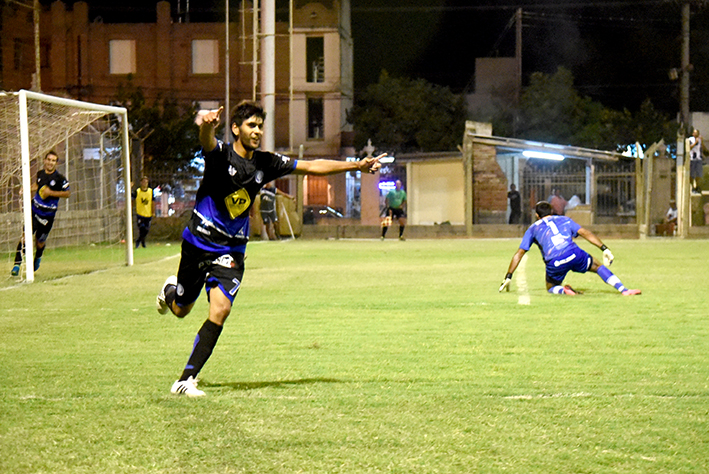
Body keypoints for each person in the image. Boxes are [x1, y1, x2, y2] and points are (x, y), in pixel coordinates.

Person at [155, 101, 383, 397]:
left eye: (260, 126)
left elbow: (312, 166)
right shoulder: (220, 155)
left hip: (231, 251)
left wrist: (356, 165)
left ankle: (186, 379)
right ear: (235, 129)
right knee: (180, 310)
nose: (257, 131)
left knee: (220, 309)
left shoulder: (265, 162)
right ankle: (170, 291)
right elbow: (206, 141)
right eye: (251, 125)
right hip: (198, 244)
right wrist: (208, 126)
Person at [499, 201, 641, 296]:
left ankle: (562, 290)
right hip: (574, 254)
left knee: (550, 287)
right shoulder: (564, 219)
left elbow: (520, 253)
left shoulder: (532, 229)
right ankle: (623, 290)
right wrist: (604, 248)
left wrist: (509, 275)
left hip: (554, 262)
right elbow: (584, 232)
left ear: (537, 215)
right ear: (552, 211)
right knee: (597, 266)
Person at [11, 151, 71, 276]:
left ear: (56, 163)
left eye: (53, 160)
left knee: (39, 242)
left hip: (47, 216)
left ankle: (38, 256)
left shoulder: (60, 179)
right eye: (48, 159)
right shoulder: (40, 174)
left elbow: (67, 193)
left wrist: (51, 193)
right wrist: (26, 188)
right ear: (44, 160)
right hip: (34, 210)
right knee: (25, 237)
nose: (50, 162)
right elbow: (37, 185)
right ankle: (17, 264)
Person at [132, 176, 155, 248]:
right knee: (142, 228)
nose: (145, 183)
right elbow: (131, 198)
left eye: (146, 182)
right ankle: (142, 242)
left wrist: (153, 211)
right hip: (140, 214)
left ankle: (139, 240)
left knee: (146, 230)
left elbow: (153, 202)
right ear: (141, 183)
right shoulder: (137, 191)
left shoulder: (150, 191)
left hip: (148, 214)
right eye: (144, 182)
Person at [688, 128, 703, 194]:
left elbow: (701, 148)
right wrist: (695, 142)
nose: (696, 134)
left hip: (698, 158)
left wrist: (701, 141)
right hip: (692, 159)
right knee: (691, 174)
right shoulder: (690, 139)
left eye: (697, 132)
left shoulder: (699, 140)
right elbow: (689, 147)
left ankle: (697, 186)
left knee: (699, 174)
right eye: (695, 132)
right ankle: (692, 187)